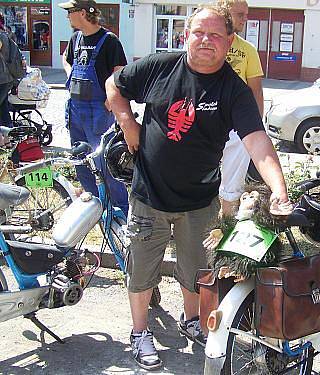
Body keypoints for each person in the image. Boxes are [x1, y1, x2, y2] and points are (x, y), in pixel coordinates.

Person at [105, 5, 290, 370]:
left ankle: (191, 320)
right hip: (149, 194)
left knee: (197, 271)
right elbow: (115, 84)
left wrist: (280, 189)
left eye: (216, 35)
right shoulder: (160, 66)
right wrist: (127, 121)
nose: (206, 41)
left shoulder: (233, 90)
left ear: (230, 41)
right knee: (142, 269)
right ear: (185, 35)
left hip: (200, 200)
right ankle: (140, 332)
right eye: (199, 33)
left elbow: (257, 141)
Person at [59, 0, 129, 215]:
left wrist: (111, 98)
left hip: (98, 109)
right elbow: (66, 58)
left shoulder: (109, 41)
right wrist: (70, 72)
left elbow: (120, 69)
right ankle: (94, 207)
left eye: (70, 12)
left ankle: (119, 210)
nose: (67, 16)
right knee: (81, 160)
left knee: (104, 162)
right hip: (76, 109)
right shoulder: (75, 38)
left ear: (82, 13)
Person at [217, 0, 265, 216]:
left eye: (246, 14)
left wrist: (256, 126)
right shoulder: (208, 44)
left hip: (236, 125)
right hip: (203, 120)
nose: (245, 19)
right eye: (240, 15)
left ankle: (225, 222)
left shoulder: (248, 50)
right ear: (225, 14)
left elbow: (256, 90)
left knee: (232, 179)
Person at [0, 12, 14, 127]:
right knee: (3, 107)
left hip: (1, 78)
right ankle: (9, 138)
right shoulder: (5, 34)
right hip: (7, 78)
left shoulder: (1, 36)